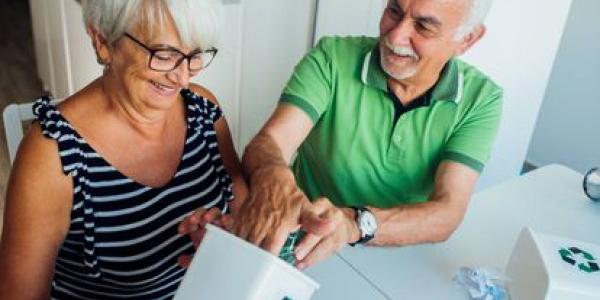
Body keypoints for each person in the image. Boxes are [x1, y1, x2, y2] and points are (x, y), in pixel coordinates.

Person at [0, 0, 246, 299]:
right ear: (103, 41)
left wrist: (224, 239)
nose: (183, 77)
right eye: (164, 54)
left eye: (194, 54)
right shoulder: (53, 155)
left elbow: (241, 207)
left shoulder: (203, 111)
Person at [233, 0, 502, 271]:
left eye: (423, 26)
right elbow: (270, 143)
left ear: (467, 39)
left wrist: (353, 223)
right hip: (304, 244)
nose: (395, 36)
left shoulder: (482, 99)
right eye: (394, 11)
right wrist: (271, 174)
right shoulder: (332, 57)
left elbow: (447, 213)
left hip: (400, 252)